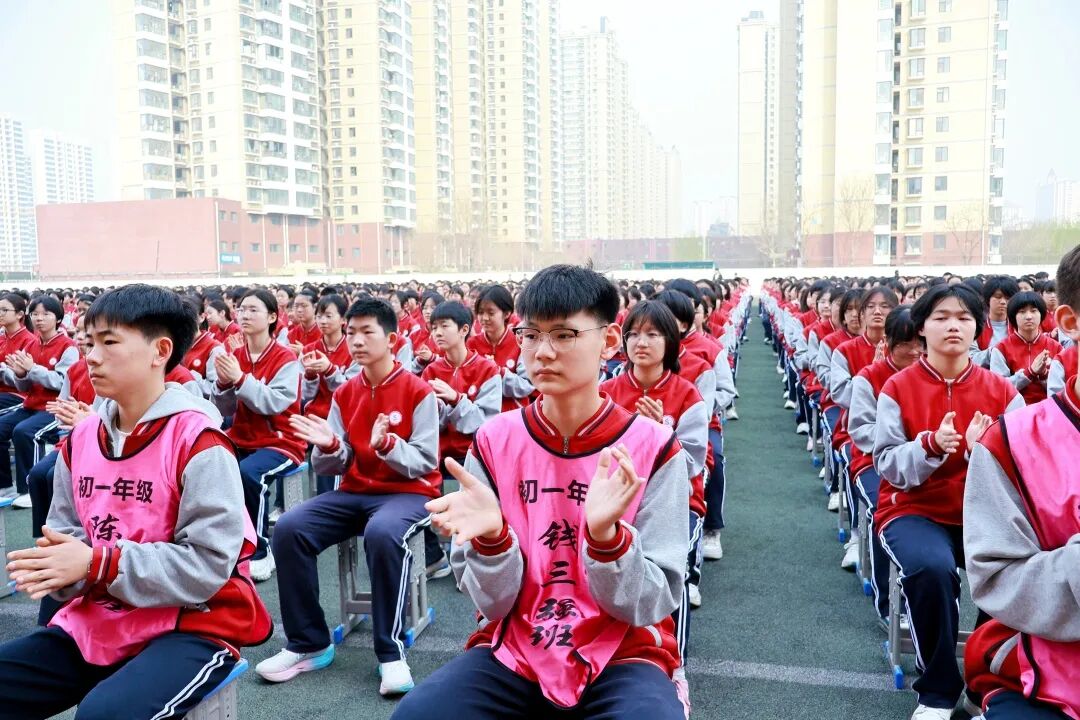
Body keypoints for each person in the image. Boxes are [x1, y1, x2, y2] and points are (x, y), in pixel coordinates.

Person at [392, 264, 688, 720]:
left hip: (622, 652)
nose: (542, 352)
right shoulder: (494, 443)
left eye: (565, 335)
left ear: (608, 342)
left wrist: (608, 542)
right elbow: (489, 604)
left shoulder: (652, 448)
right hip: (518, 644)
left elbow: (654, 600)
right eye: (531, 335)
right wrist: (493, 542)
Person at [0, 284, 271, 719]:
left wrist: (96, 564)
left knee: (104, 714)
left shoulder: (198, 442)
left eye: (109, 342)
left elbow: (207, 565)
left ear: (159, 351)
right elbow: (67, 532)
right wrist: (61, 569)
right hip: (103, 612)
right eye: (89, 342)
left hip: (193, 621)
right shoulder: (83, 438)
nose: (91, 356)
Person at [261, 298, 440, 696]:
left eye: (366, 332)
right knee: (290, 528)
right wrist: (328, 447)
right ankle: (309, 642)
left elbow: (426, 460)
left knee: (382, 533)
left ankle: (390, 653)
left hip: (409, 493)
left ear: (391, 339)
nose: (356, 341)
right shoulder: (345, 393)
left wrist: (387, 444)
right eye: (352, 332)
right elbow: (335, 464)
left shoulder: (418, 390)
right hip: (357, 491)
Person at [874, 283, 1025, 720]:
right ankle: (938, 690)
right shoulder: (897, 389)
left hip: (983, 513)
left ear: (979, 327)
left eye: (963, 317)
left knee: (1016, 570)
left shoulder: (1002, 392)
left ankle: (985, 685)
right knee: (932, 568)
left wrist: (986, 455)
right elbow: (886, 462)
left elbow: (1021, 470)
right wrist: (931, 446)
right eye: (940, 317)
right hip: (913, 510)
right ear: (921, 327)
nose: (952, 325)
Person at [963, 244, 1080, 720]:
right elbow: (997, 579)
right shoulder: (1011, 441)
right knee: (928, 566)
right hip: (1049, 670)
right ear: (1069, 323)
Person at [600, 299, 707, 704]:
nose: (640, 342)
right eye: (633, 334)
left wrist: (662, 430)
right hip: (614, 504)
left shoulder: (687, 393)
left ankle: (672, 664)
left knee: (665, 579)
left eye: (652, 334)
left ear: (671, 342)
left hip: (676, 504)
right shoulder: (606, 391)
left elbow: (696, 463)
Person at [211, 288, 305, 583]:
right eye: (241, 309)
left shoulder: (286, 358)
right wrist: (224, 385)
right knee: (206, 461)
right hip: (242, 437)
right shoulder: (235, 355)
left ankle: (261, 551)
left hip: (282, 441)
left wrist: (239, 379)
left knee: (250, 475)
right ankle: (220, 547)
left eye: (253, 310)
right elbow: (224, 407)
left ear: (273, 317)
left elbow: (274, 404)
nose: (245, 315)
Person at [845, 306, 922, 607]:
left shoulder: (932, 375)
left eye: (920, 343)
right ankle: (889, 599)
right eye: (906, 344)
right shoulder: (870, 377)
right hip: (875, 462)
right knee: (884, 509)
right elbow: (861, 430)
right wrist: (904, 438)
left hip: (924, 463)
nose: (916, 352)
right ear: (887, 342)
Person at [0, 296, 79, 507]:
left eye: (45, 314)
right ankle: (5, 485)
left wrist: (32, 370)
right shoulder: (32, 346)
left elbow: (63, 382)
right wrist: (20, 374)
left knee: (26, 432)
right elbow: (23, 387)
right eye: (35, 314)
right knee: (2, 428)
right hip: (32, 404)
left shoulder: (68, 346)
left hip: (55, 407)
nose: (39, 319)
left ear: (58, 318)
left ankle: (31, 489)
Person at [299, 294, 355, 496]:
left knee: (332, 450)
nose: (322, 321)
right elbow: (305, 394)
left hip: (344, 417)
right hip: (315, 416)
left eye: (328, 316)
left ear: (343, 320)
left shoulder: (353, 349)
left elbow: (352, 390)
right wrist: (310, 375)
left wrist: (330, 370)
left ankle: (330, 500)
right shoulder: (309, 350)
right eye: (320, 315)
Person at [468, 284, 535, 411]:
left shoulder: (520, 343)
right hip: (482, 416)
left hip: (514, 415)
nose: (485, 318)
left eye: (491, 312)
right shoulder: (472, 344)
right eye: (481, 312)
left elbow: (527, 385)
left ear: (507, 313)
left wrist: (499, 371)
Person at [989, 291, 1062, 405]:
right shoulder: (1001, 348)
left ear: (1041, 314)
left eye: (1033, 311)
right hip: (1014, 411)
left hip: (1049, 410)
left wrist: (1044, 375)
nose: (1028, 316)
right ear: (1013, 316)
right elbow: (998, 387)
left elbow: (1062, 389)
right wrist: (1029, 373)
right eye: (1022, 312)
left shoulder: (1056, 347)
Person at [0, 292, 38, 409]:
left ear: (20, 314)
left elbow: (29, 382)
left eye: (4, 310)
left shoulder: (30, 341)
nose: (0, 313)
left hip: (17, 394)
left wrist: (3, 371)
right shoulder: (2, 338)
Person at [972, 276, 1020, 368]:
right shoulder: (976, 326)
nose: (1003, 302)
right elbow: (971, 357)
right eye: (997, 297)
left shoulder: (1018, 325)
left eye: (1007, 298)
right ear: (987, 299)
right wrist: (998, 350)